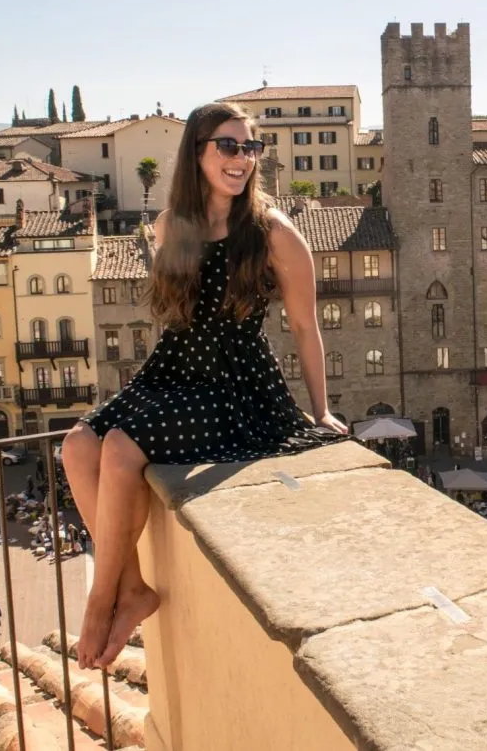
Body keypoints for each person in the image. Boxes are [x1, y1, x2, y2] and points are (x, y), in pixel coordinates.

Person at [62, 103, 348, 670]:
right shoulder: (171, 225)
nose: (241, 159)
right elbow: (176, 316)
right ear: (198, 152)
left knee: (120, 450)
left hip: (236, 385)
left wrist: (321, 410)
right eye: (228, 146)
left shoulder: (272, 233)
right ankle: (135, 587)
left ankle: (101, 599)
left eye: (250, 148)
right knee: (75, 446)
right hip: (174, 370)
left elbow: (305, 326)